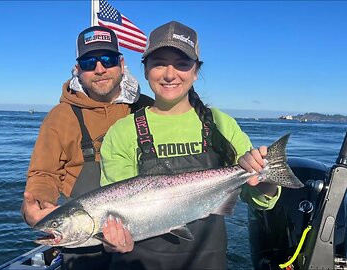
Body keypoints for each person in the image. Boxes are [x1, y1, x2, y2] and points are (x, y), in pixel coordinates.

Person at [99, 21, 281, 270]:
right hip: (140, 261)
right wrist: (114, 239)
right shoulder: (123, 131)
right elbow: (115, 211)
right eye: (159, 63)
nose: (170, 74)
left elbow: (260, 199)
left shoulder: (220, 124)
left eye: (182, 63)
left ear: (196, 71)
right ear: (145, 69)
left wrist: (265, 176)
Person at [21, 25, 153, 269]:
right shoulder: (60, 117)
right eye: (89, 62)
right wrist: (37, 205)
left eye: (108, 59)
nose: (100, 69)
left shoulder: (147, 108)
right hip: (85, 241)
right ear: (77, 69)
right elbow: (44, 174)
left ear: (122, 64)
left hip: (147, 225)